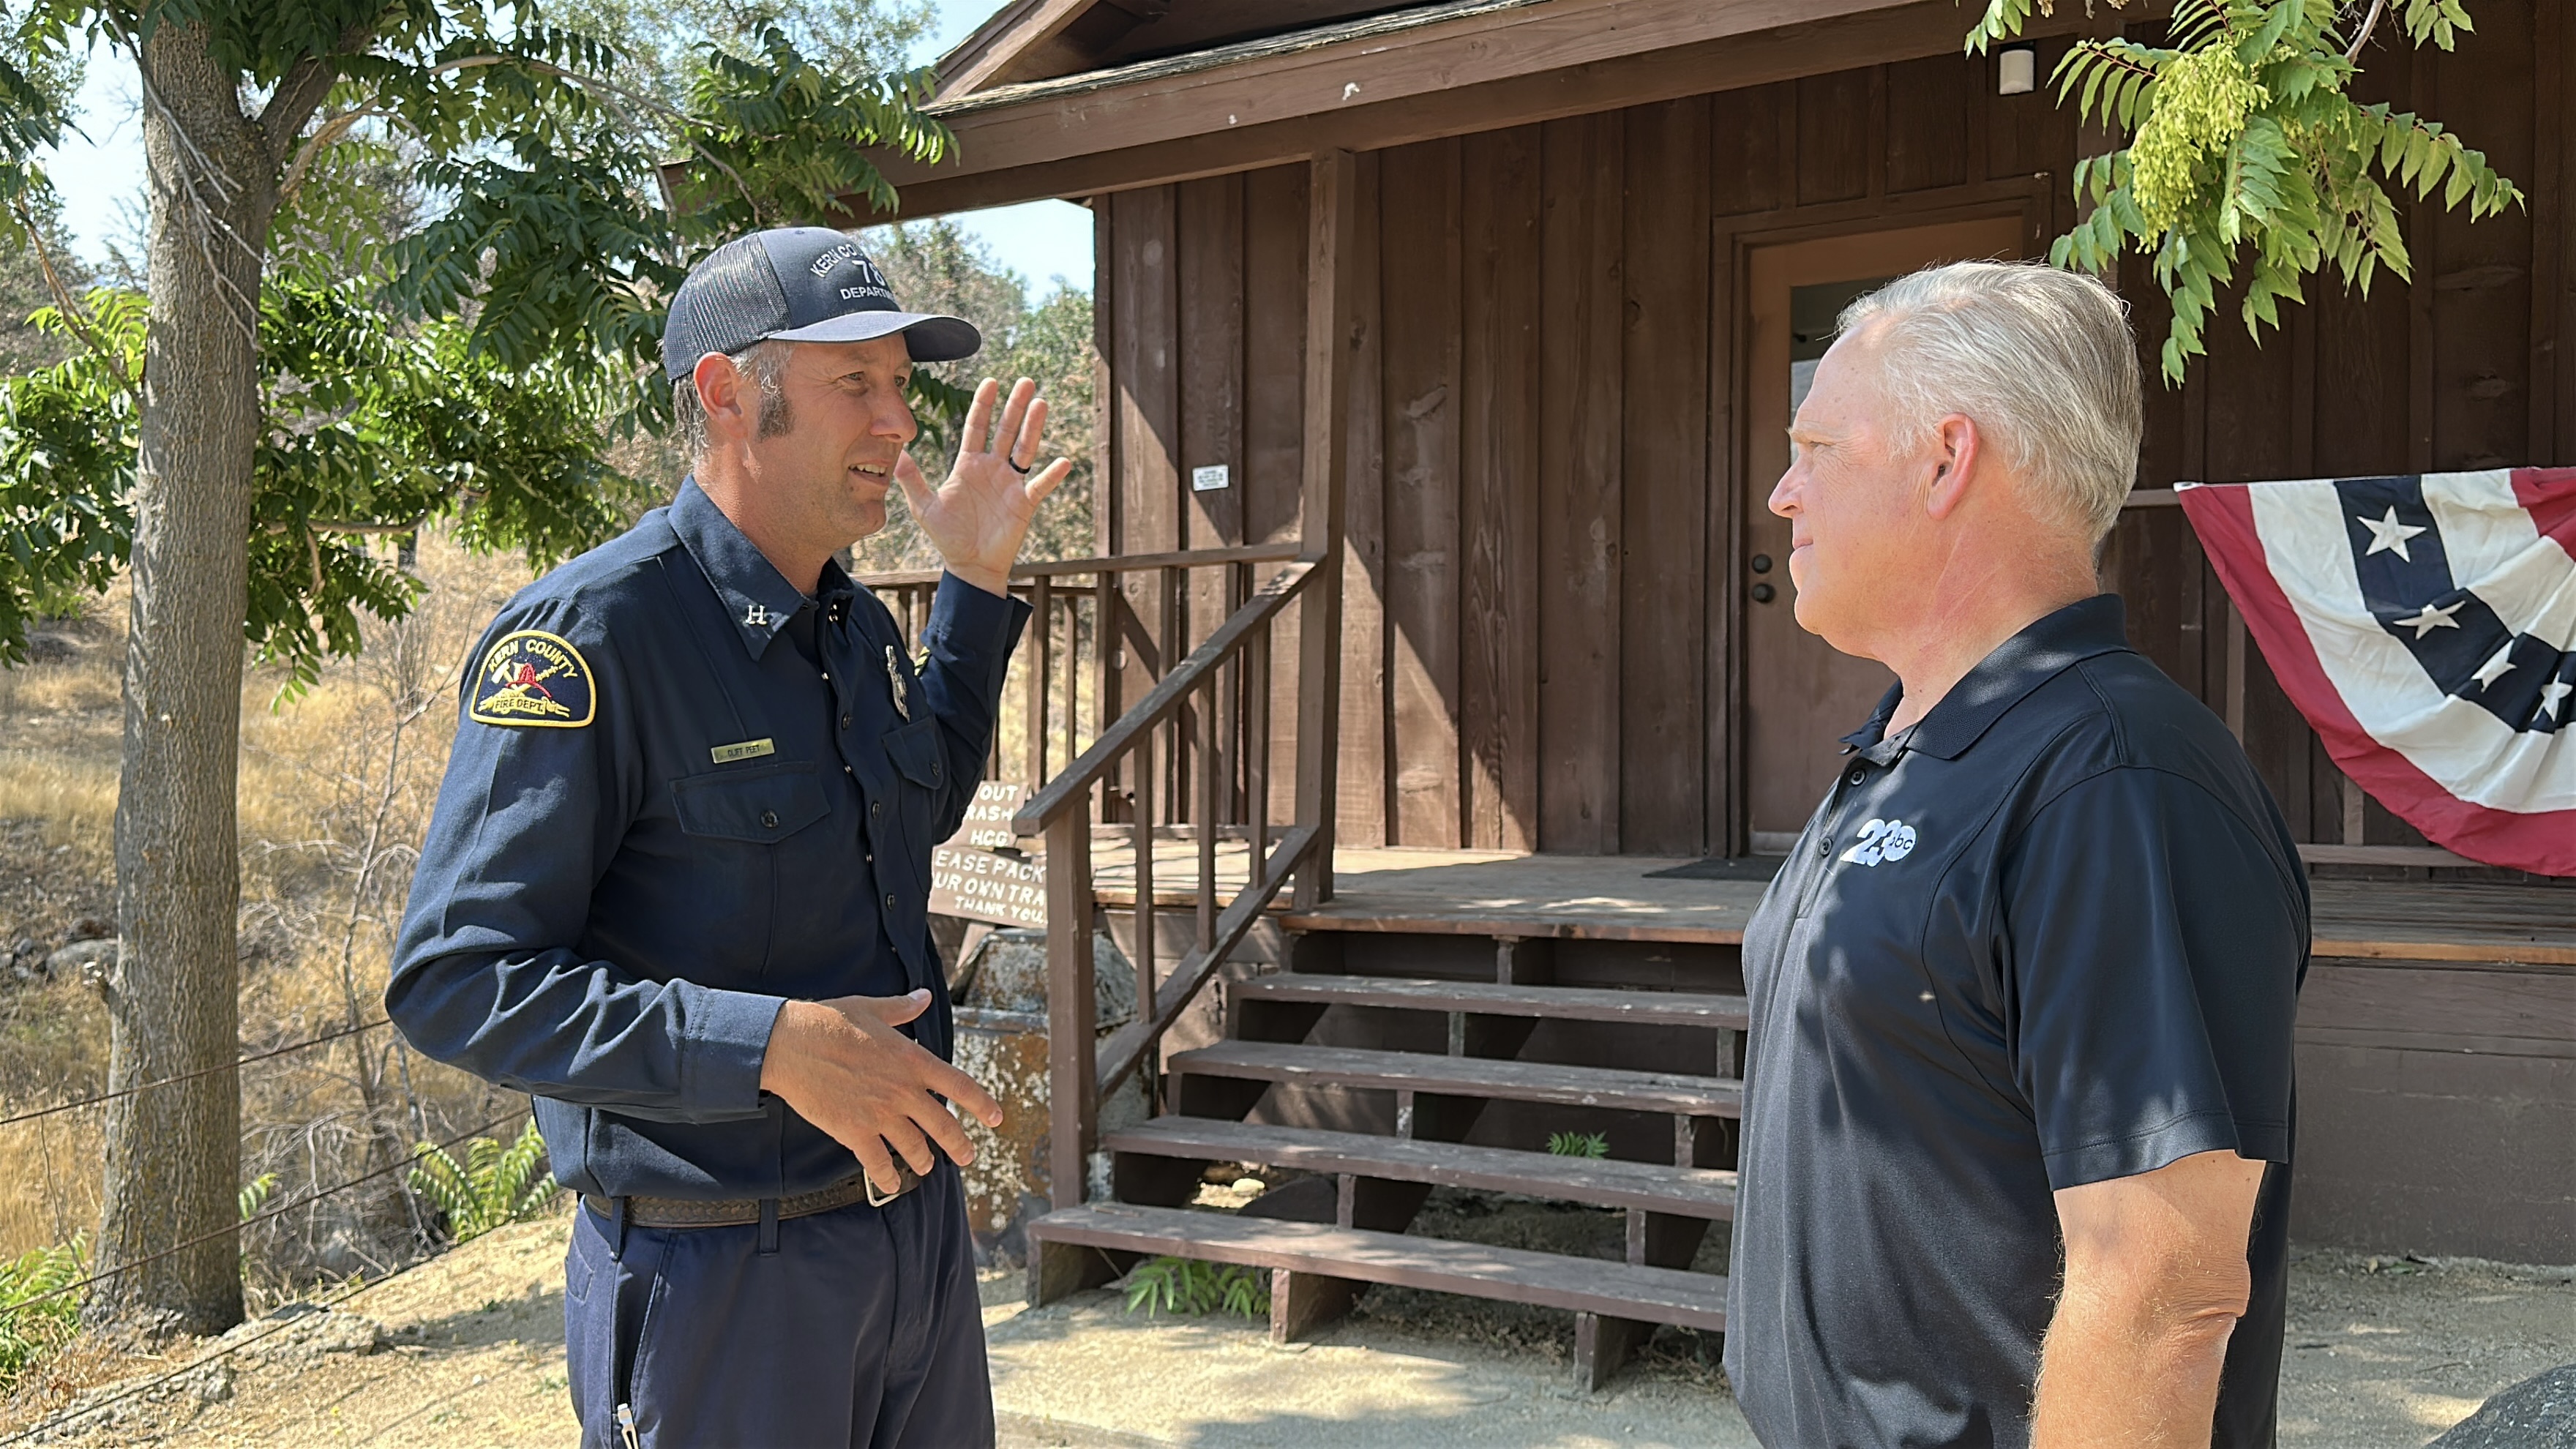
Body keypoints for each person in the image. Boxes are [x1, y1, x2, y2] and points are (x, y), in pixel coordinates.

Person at [387, 225, 1071, 1448]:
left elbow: (918, 814)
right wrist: (766, 1048)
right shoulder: (591, 639)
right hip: (724, 1287)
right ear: (725, 394)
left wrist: (970, 589)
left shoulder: (848, 625)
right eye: (852, 382)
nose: (899, 422)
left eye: (903, 384)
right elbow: (457, 982)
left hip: (912, 1250)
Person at [1725, 261, 2307, 1449]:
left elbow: (2163, 1293)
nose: (1784, 494)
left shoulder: (2116, 783)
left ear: (1947, 461)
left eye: (1818, 447)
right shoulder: (1914, 750)